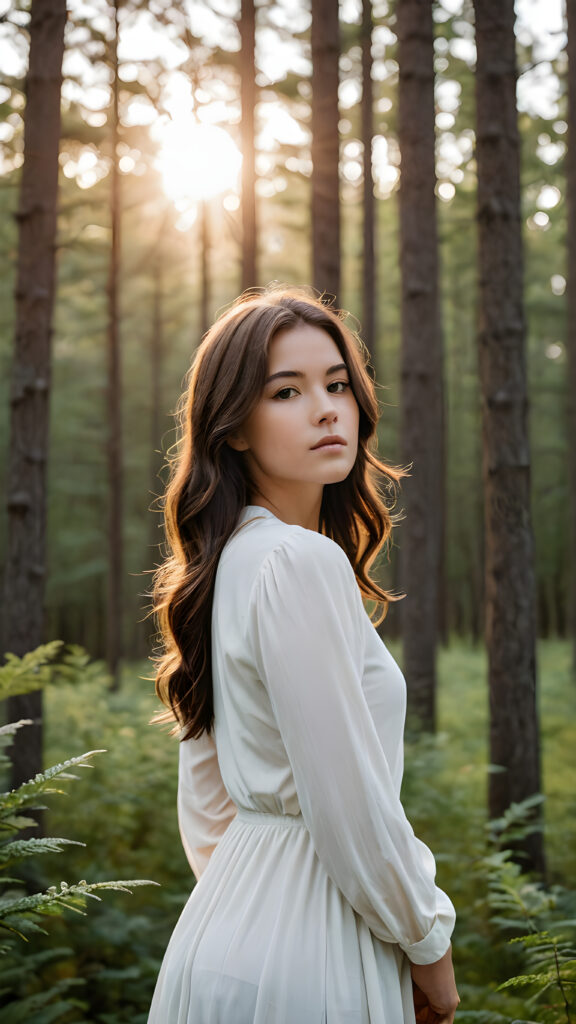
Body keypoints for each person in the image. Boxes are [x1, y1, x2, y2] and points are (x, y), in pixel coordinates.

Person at [147, 286, 459, 1024]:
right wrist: (429, 947)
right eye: (287, 391)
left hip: (222, 936)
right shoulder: (299, 561)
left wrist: (252, 907)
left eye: (338, 384)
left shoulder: (226, 569)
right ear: (235, 428)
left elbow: (209, 808)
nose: (326, 408)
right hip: (315, 950)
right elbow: (352, 801)